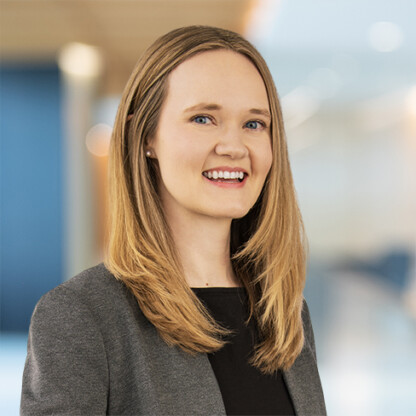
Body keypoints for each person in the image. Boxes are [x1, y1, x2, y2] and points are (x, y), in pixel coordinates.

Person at [21, 25, 326, 415]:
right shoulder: (82, 316)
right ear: (146, 136)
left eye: (254, 124)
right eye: (203, 118)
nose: (233, 146)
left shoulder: (285, 312)